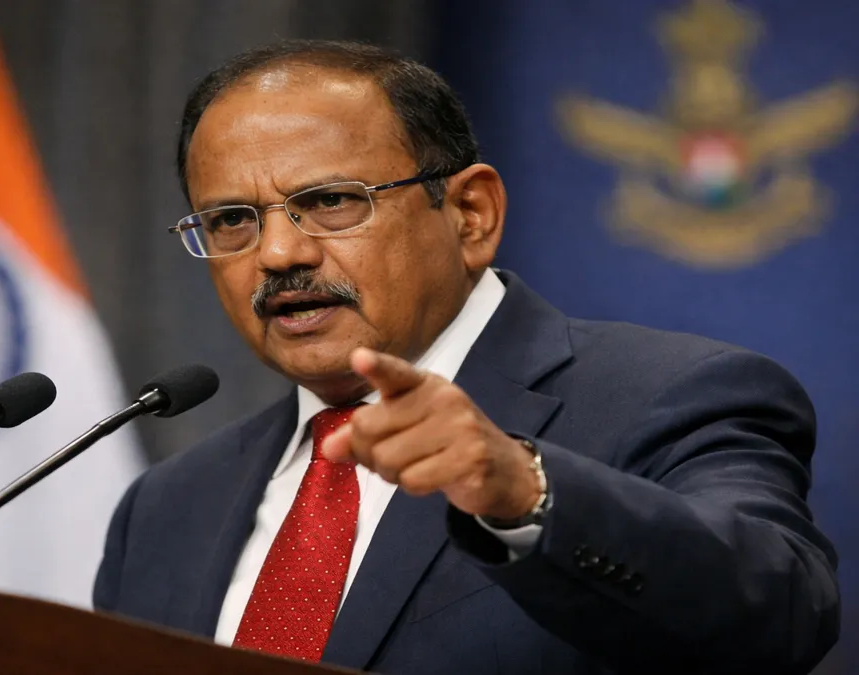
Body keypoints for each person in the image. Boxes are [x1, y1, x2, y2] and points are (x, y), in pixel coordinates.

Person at [92, 40, 840, 674]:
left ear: (469, 215)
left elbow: (780, 615)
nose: (280, 252)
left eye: (330, 201)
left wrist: (523, 491)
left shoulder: (672, 395)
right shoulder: (165, 509)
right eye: (231, 220)